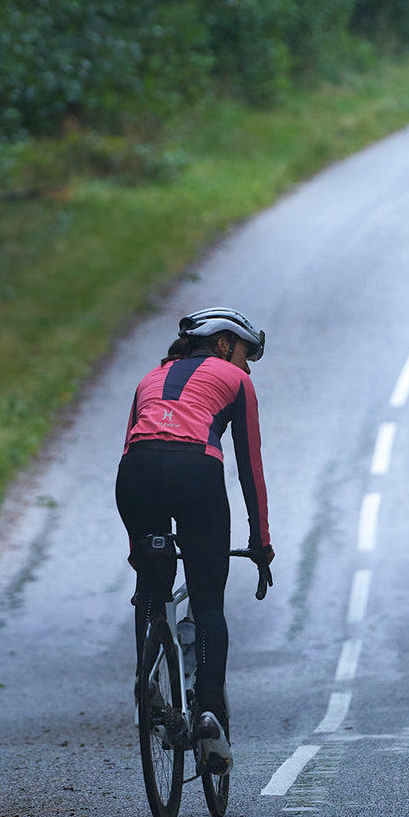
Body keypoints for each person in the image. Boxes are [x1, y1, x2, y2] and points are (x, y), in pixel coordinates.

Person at [116, 307, 274, 774]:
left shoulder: (149, 378)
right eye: (245, 353)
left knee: (153, 580)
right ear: (224, 344)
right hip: (197, 472)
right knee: (207, 602)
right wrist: (260, 543)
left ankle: (147, 681)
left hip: (136, 474)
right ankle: (208, 713)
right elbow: (251, 469)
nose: (245, 366)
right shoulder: (236, 381)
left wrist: (139, 552)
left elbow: (131, 445)